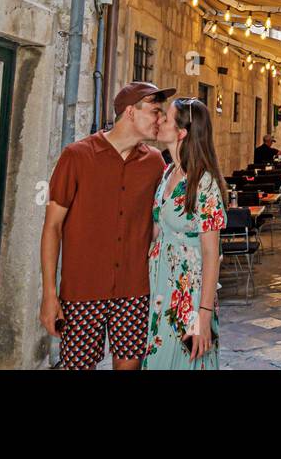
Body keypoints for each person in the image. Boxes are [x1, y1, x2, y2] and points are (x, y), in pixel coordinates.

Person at [40, 81, 173, 370]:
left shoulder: (154, 163)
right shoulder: (76, 156)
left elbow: (160, 221)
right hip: (82, 290)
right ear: (130, 112)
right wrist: (49, 294)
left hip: (136, 289)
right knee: (78, 366)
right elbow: (52, 228)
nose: (160, 119)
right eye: (155, 111)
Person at [142, 97, 228, 370]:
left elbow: (211, 253)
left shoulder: (204, 183)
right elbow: (156, 232)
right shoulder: (168, 173)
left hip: (188, 295)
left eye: (165, 118)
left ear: (182, 133)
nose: (159, 121)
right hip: (159, 290)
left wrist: (203, 315)